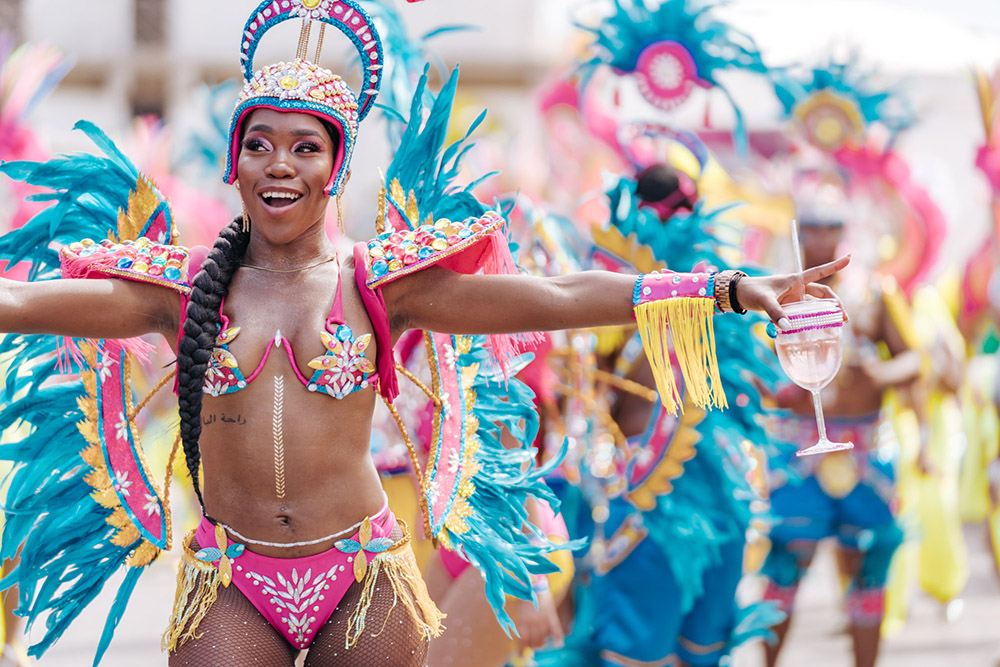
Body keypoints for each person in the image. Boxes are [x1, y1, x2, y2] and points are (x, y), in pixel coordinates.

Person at [0, 3, 847, 665]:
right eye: (259, 145)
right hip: (231, 575)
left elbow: (554, 291)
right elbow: (26, 304)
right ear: (235, 163)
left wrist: (729, 287)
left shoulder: (379, 284)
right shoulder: (184, 290)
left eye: (305, 147)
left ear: (336, 169)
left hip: (363, 572)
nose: (280, 164)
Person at [760, 203, 919, 667]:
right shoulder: (776, 294)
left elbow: (914, 359)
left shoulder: (874, 291)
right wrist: (776, 388)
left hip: (866, 450)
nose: (823, 236)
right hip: (795, 448)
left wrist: (882, 373)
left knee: (870, 566)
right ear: (799, 231)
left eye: (833, 226)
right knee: (786, 565)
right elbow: (752, 372)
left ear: (845, 230)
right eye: (813, 227)